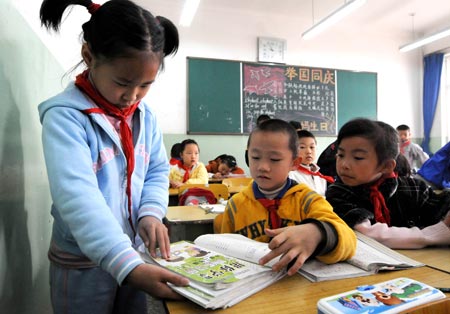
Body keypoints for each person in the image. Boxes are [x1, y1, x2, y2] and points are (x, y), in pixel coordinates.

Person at [38, 0, 189, 312]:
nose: (132, 96)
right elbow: (78, 198)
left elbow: (158, 170)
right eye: (123, 82)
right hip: (81, 264)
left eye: (145, 85)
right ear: (89, 57)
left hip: (132, 255)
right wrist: (127, 266)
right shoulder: (66, 118)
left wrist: (149, 212)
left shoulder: (144, 117)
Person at [214, 119, 356, 276]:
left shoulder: (307, 200)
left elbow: (349, 241)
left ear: (294, 163)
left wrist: (319, 233)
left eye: (274, 159)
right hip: (252, 287)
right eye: (255, 157)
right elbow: (224, 250)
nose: (262, 166)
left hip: (297, 285)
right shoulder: (236, 205)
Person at [326, 118, 450, 249]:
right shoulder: (338, 193)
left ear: (386, 166)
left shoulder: (414, 188)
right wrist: (432, 234)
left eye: (358, 157)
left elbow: (442, 206)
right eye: (340, 155)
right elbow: (368, 234)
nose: (344, 165)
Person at [289, 130, 334, 196]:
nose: (309, 151)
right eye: (302, 147)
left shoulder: (320, 176)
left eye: (312, 147)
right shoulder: (290, 175)